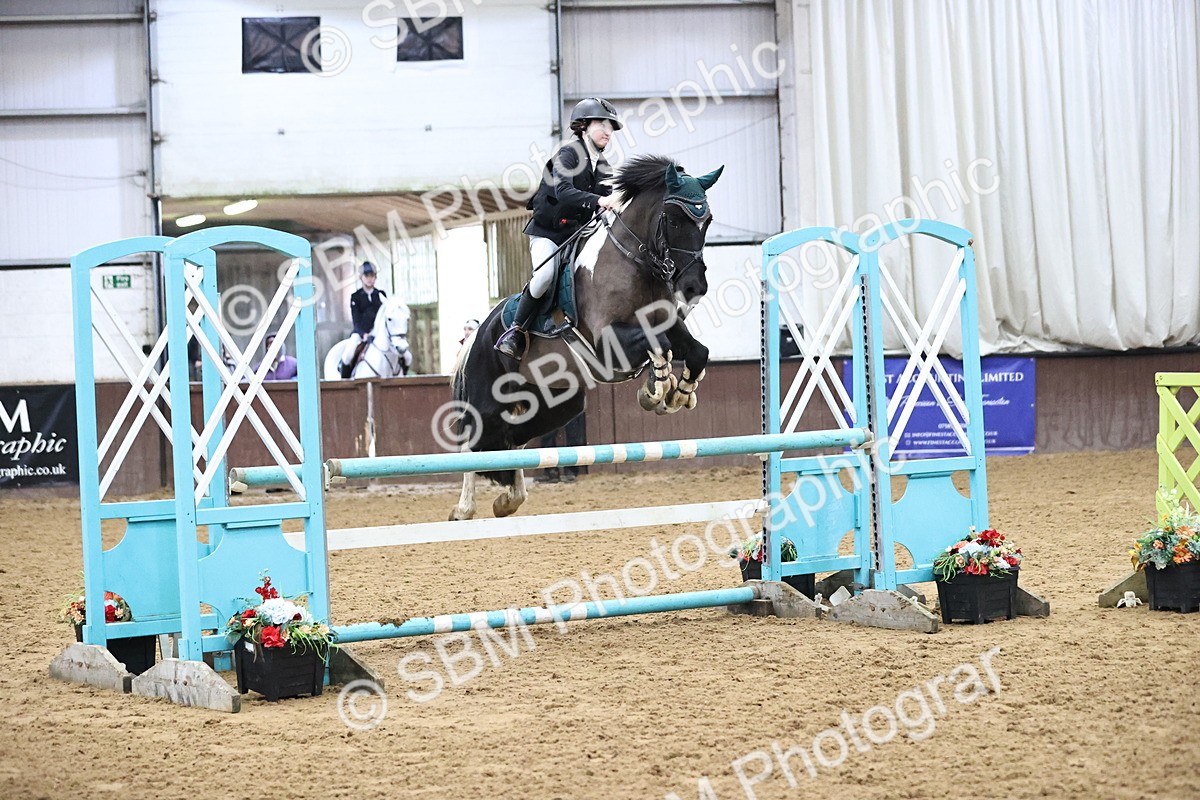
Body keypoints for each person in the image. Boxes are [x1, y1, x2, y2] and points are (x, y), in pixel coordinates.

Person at [494, 97, 624, 362]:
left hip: (578, 233)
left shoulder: (603, 165)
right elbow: (563, 191)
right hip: (548, 233)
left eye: (611, 127)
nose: (608, 132)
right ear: (584, 126)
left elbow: (611, 196)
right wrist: (599, 201)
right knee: (544, 277)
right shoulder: (569, 154)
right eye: (602, 124)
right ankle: (515, 331)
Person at [343, 262, 387, 378]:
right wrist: (364, 334)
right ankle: (345, 382)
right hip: (361, 333)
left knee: (405, 355)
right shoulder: (356, 297)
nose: (369, 279)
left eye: (372, 276)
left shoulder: (381, 295)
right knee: (347, 355)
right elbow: (356, 320)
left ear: (375, 278)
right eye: (366, 276)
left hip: (379, 334)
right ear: (361, 278)